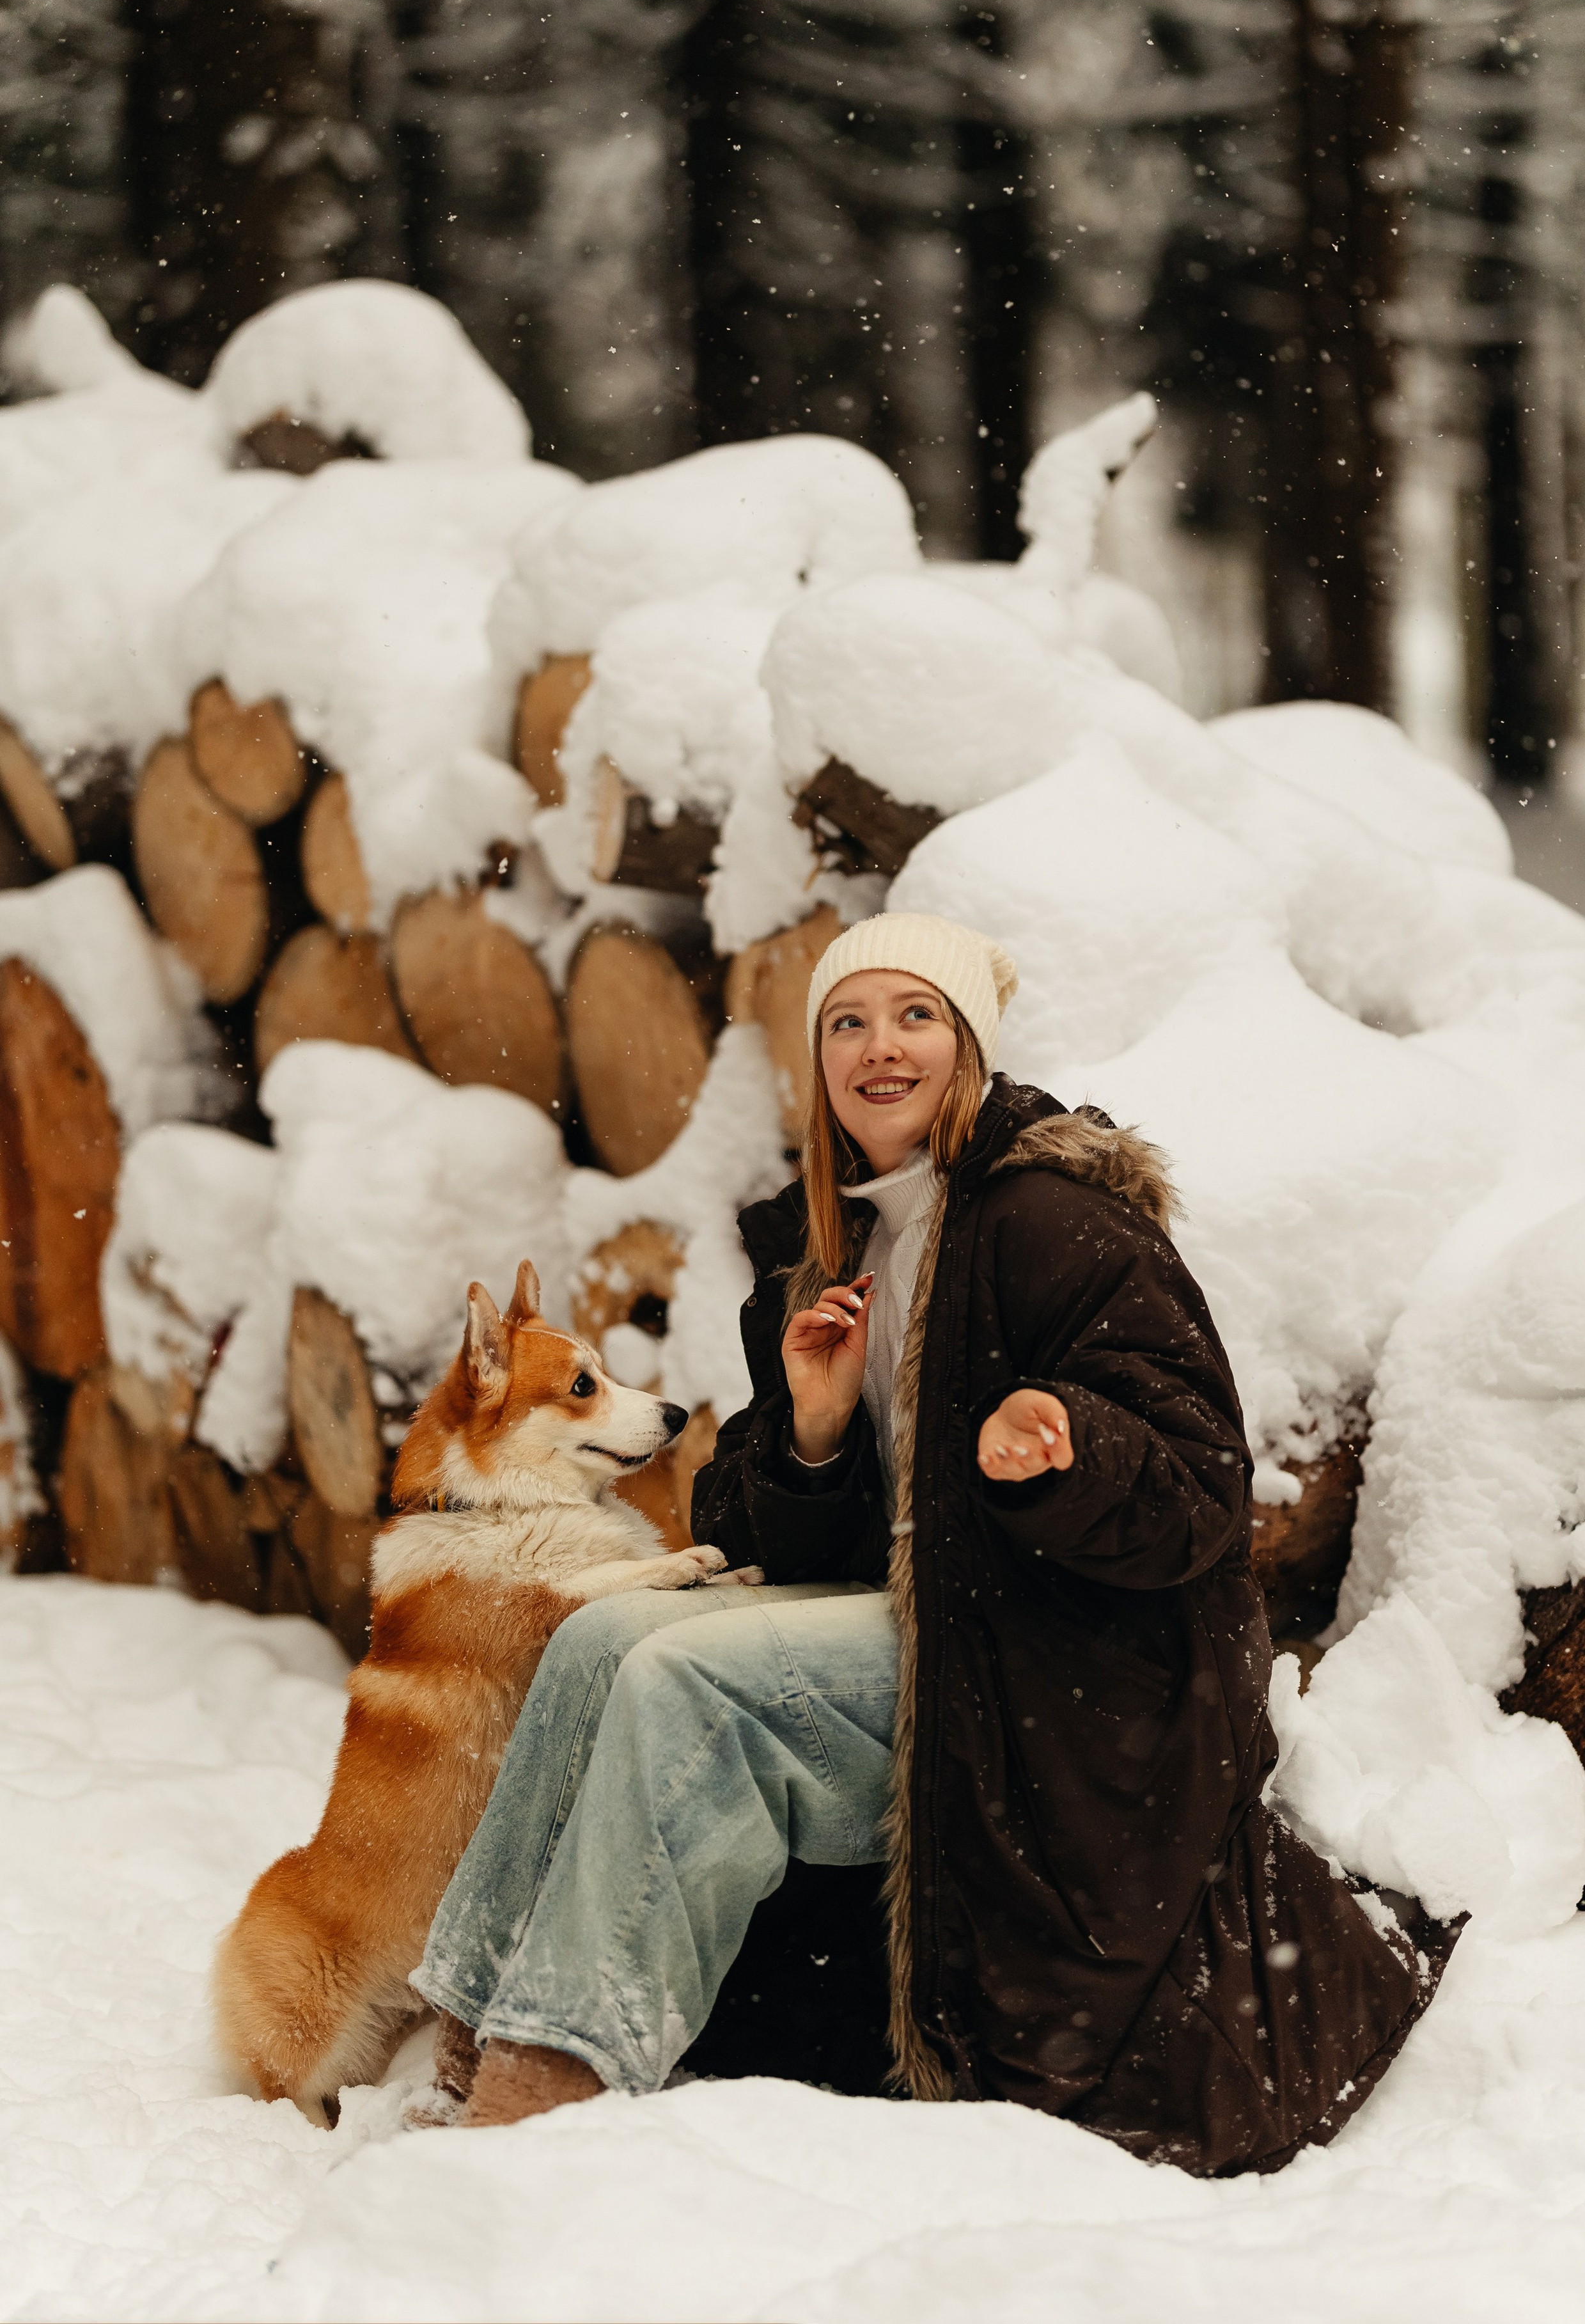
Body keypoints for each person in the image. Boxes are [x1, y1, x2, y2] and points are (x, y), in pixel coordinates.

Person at [411, 913, 1450, 2166]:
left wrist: (1064, 1441)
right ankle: (469, 2021)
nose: (878, 1048)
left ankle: (553, 2084)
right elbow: (752, 1526)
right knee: (605, 1640)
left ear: (966, 1046)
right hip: (914, 1625)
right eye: (846, 1022)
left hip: (1070, 1665)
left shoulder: (1056, 1221)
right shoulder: (816, 1248)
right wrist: (812, 1430)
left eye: (915, 1017)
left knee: (688, 1687)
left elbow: (1198, 1484)